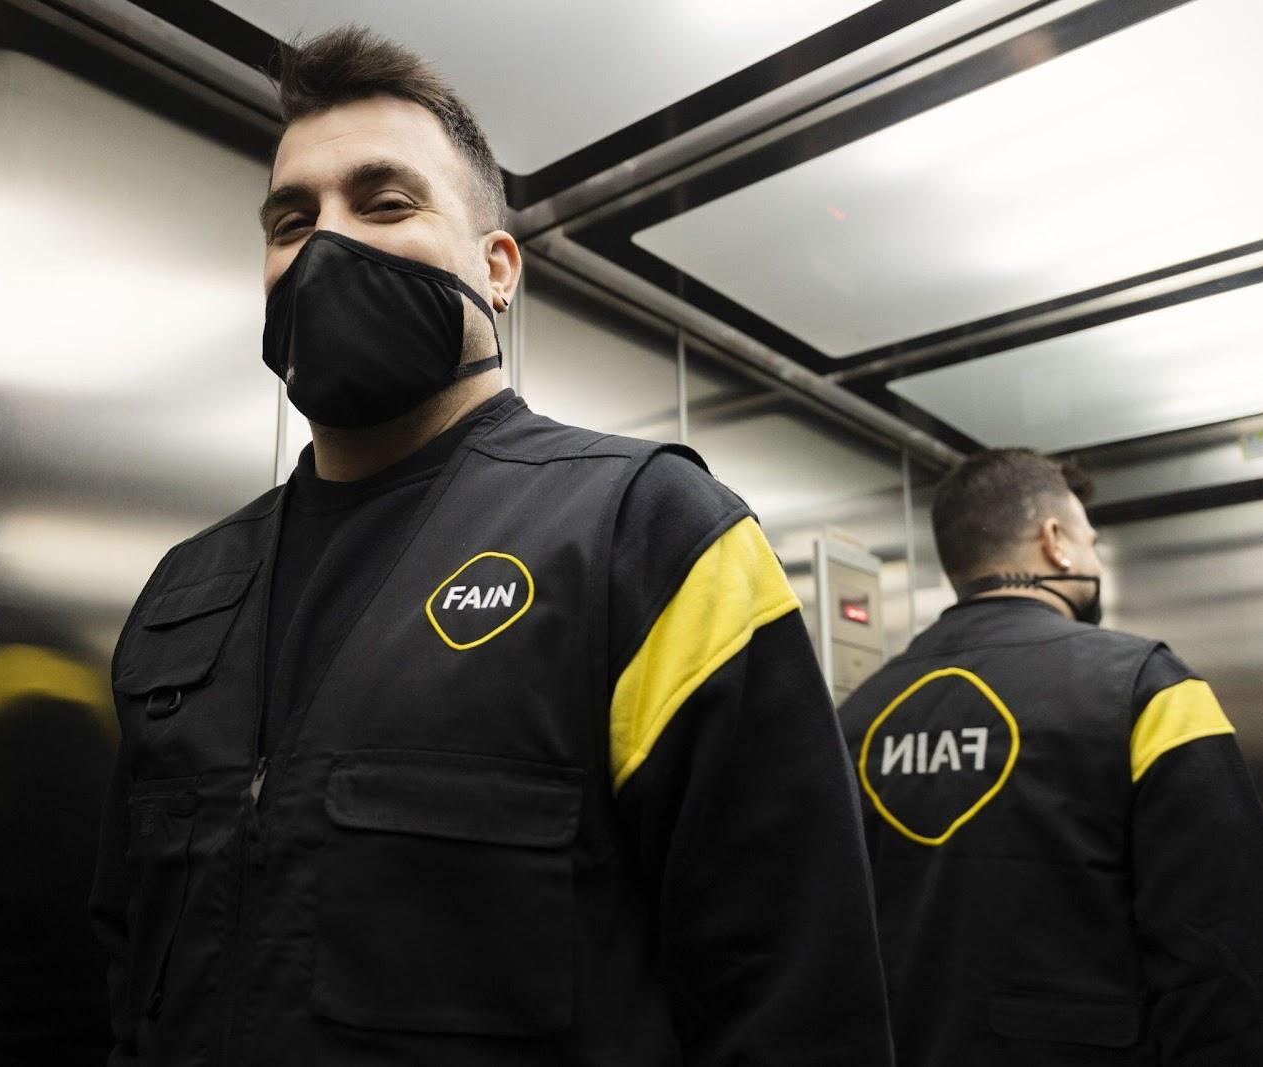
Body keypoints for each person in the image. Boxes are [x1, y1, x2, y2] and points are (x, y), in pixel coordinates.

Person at [89, 24, 893, 1067]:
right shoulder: (185, 590)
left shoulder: (647, 540)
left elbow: (795, 1001)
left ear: (497, 267)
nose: (326, 245)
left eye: (384, 203)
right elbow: (123, 960)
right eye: (292, 220)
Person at [837, 448, 1263, 1065]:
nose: (1092, 560)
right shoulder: (1147, 688)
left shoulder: (854, 719)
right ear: (1055, 541)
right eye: (1089, 541)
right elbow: (1226, 955)